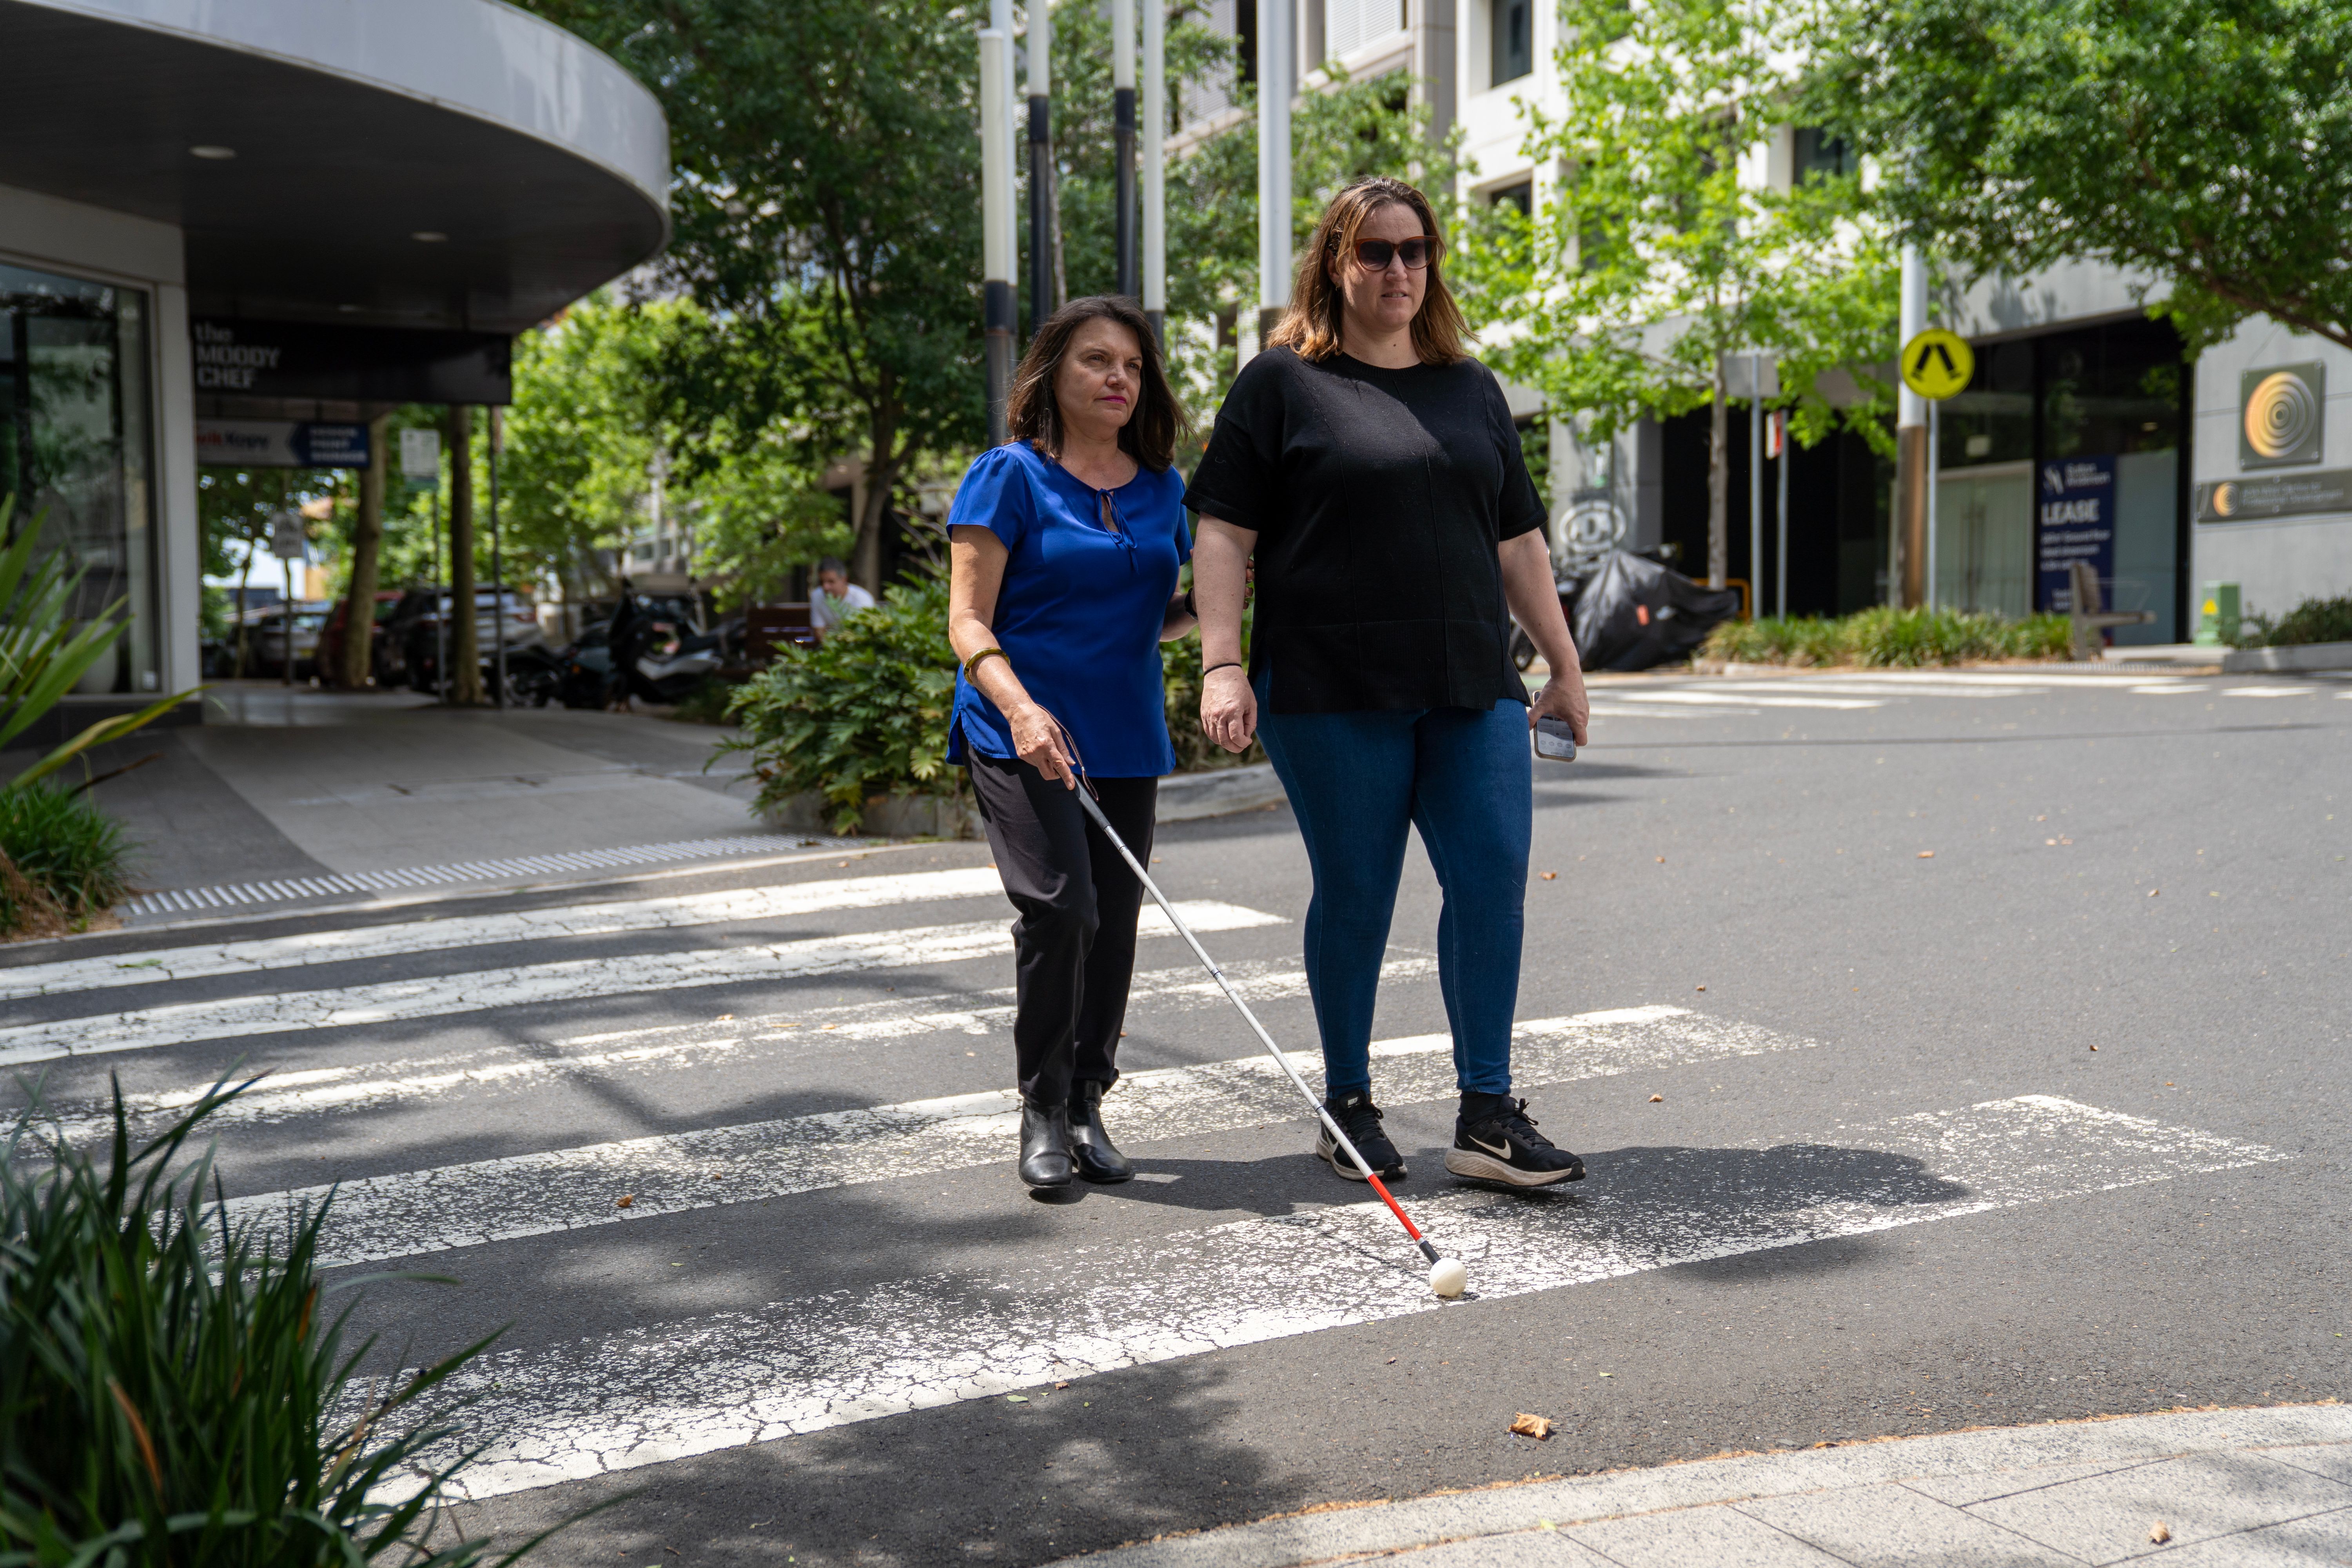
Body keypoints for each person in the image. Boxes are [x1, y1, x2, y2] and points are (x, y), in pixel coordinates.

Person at [1186, 176, 1594, 1189]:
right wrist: (1222, 662)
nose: (1399, 270)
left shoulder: (1473, 390)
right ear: (1336, 262)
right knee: (1360, 889)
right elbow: (1224, 533)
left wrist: (1564, 666)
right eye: (1376, 252)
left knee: (1493, 877)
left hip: (1471, 675)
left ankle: (1487, 1113)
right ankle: (1350, 1100)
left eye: (1415, 251)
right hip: (1329, 680)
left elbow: (1520, 542)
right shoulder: (1279, 386)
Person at [946, 296, 1197, 1190]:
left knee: (1115, 927)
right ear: (1053, 372)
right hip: (1018, 727)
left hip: (1123, 731)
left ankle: (1089, 1097)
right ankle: (1042, 1105)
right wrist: (1020, 708)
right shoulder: (1007, 475)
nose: (1118, 377)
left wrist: (1216, 608)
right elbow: (968, 623)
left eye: (1131, 364)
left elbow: (1155, 618)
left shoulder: (1164, 487)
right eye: (1097, 360)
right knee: (1063, 907)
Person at [810, 557, 875, 638]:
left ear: (844, 579)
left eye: (831, 582)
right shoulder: (817, 596)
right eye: (822, 582)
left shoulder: (862, 599)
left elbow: (864, 634)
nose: (825, 587)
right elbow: (819, 631)